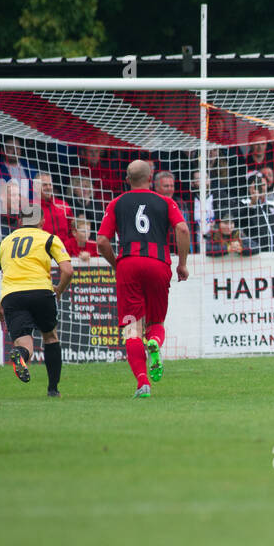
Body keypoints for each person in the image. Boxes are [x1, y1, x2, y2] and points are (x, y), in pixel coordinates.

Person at [96, 159, 190, 398]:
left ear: (127, 180)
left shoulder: (116, 203)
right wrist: (182, 264)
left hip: (129, 264)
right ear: (151, 179)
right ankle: (155, 342)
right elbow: (183, 229)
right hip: (158, 264)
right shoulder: (166, 202)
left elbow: (101, 242)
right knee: (155, 322)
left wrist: (117, 264)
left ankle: (142, 382)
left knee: (131, 328)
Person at [0, 203, 73, 397]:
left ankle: (20, 355)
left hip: (12, 296)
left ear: (20, 221)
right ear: (42, 221)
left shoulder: (4, 243)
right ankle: (53, 390)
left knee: (24, 344)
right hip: (41, 292)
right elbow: (67, 270)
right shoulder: (49, 238)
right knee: (50, 337)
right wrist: (60, 290)